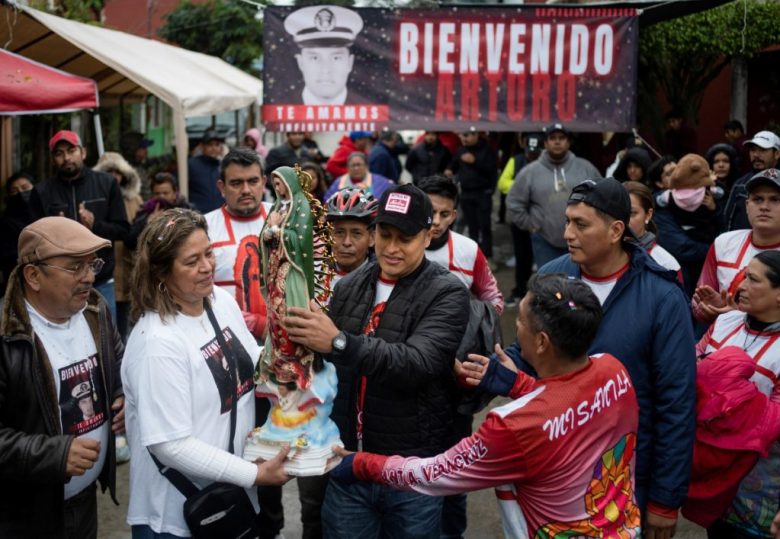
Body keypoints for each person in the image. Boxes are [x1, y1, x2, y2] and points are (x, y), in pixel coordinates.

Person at [331, 274, 641, 538]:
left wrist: (360, 464)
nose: (516, 327)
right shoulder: (613, 370)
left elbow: (432, 474)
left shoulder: (512, 426)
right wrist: (517, 384)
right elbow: (572, 409)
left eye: (519, 319)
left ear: (542, 342)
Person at [506, 178, 695, 536]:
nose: (567, 234)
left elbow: (677, 404)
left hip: (626, 483)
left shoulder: (662, 297)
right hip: (553, 475)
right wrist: (494, 373)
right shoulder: (551, 276)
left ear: (615, 230)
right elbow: (526, 355)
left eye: (581, 224)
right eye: (567, 222)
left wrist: (665, 501)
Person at [281, 183, 470, 538]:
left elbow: (417, 363)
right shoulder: (349, 286)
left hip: (410, 471)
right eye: (385, 234)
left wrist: (336, 341)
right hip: (349, 464)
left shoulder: (447, 292)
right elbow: (327, 364)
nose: (392, 248)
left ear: (427, 237)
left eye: (405, 238)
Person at [121, 208, 291, 537]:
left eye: (209, 253)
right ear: (160, 272)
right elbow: (170, 444)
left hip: (229, 499)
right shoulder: (158, 342)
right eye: (191, 261)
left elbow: (251, 359)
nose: (207, 267)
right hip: (177, 515)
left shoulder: (219, 302)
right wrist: (254, 474)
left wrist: (287, 360)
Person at [0, 216, 125, 537]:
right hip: (25, 516)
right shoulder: (6, 335)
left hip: (83, 504)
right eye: (74, 267)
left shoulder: (96, 310)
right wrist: (54, 455)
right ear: (33, 275)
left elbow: (118, 365)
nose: (89, 278)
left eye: (92, 264)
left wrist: (123, 396)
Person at [696, 251, 780, 538]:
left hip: (760, 495)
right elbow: (690, 368)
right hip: (714, 481)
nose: (740, 286)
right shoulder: (726, 321)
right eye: (744, 275)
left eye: (753, 280)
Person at [33, 130, 130, 321]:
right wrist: (56, 232)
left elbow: (123, 230)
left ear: (83, 152)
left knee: (106, 343)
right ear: (53, 159)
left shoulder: (107, 183)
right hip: (59, 285)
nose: (66, 158)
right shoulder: (42, 192)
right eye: (59, 153)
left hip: (101, 282)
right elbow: (35, 242)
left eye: (71, 150)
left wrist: (95, 225)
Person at [506, 123, 601, 267]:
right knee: (550, 284)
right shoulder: (530, 171)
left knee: (579, 285)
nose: (557, 141)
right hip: (544, 241)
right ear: (545, 143)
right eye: (552, 138)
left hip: (582, 239)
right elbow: (513, 202)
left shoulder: (585, 168)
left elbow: (601, 196)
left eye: (562, 138)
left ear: (568, 142)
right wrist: (531, 224)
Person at [693, 169, 780, 323]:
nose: (764, 207)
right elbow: (698, 304)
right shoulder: (724, 243)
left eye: (775, 199)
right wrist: (711, 308)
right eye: (758, 199)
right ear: (747, 206)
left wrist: (735, 317)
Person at [205, 148, 272, 340]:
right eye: (236, 183)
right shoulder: (204, 230)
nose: (246, 190)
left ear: (264, 183)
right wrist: (256, 324)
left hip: (285, 341)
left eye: (253, 181)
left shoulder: (286, 219)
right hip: (225, 341)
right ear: (221, 187)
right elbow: (198, 294)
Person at [419, 175, 503, 313]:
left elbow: (494, 298)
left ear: (453, 216)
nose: (436, 221)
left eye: (444, 214)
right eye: (431, 212)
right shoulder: (398, 246)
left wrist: (472, 325)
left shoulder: (469, 250)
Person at [654, 153, 722, 297]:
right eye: (669, 174)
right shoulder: (661, 211)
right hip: (684, 276)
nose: (678, 175)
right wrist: (715, 250)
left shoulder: (708, 196)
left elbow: (723, 227)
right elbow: (683, 248)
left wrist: (714, 210)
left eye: (677, 169)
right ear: (659, 183)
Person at [94, 152, 144, 342]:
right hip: (105, 267)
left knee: (127, 316)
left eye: (117, 171)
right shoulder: (98, 200)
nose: (114, 176)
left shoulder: (134, 199)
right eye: (109, 171)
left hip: (129, 263)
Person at [284, 5, 364, 105]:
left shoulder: (372, 109)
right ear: (300, 63)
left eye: (336, 58)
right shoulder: (280, 105)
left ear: (349, 63)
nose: (325, 70)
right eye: (314, 58)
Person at [497, 134, 542, 306]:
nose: (531, 156)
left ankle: (540, 294)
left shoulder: (545, 164)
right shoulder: (516, 160)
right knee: (522, 257)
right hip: (520, 217)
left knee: (542, 258)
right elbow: (502, 183)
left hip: (540, 219)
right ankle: (519, 291)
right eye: (529, 153)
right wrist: (522, 186)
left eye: (535, 153)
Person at [445, 128, 499, 259]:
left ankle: (487, 257)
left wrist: (475, 162)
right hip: (466, 193)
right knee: (471, 226)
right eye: (463, 135)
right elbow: (453, 165)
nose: (464, 138)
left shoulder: (487, 149)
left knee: (484, 226)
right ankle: (474, 256)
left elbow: (492, 170)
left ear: (476, 135)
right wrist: (449, 170)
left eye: (467, 135)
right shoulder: (461, 150)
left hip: (483, 193)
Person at [724, 130, 780, 231]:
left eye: (762, 150)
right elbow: (726, 222)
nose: (756, 155)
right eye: (753, 150)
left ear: (777, 154)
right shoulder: (740, 185)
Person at [623, 181, 681, 276]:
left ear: (648, 214)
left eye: (631, 213)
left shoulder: (665, 263)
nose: (623, 220)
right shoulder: (599, 256)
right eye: (618, 211)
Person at [125, 173, 193, 251]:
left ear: (174, 193)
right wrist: (147, 223)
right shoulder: (144, 212)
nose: (161, 196)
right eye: (157, 193)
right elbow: (129, 242)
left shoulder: (187, 211)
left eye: (165, 193)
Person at [326, 187, 377, 288]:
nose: (346, 242)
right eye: (339, 232)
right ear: (328, 235)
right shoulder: (311, 276)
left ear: (372, 238)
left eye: (356, 234)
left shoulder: (381, 281)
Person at [0, 172, 38, 294]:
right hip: (16, 286)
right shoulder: (5, 223)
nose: (20, 193)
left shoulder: (46, 213)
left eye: (25, 187)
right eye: (14, 191)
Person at [324, 152, 393, 202]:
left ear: (367, 166)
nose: (356, 168)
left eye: (359, 165)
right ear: (347, 167)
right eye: (353, 165)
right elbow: (328, 200)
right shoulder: (339, 182)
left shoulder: (381, 182)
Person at [188, 128, 225, 214]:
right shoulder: (191, 164)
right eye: (210, 145)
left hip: (220, 215)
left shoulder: (224, 166)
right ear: (202, 146)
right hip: (199, 216)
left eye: (217, 145)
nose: (214, 148)